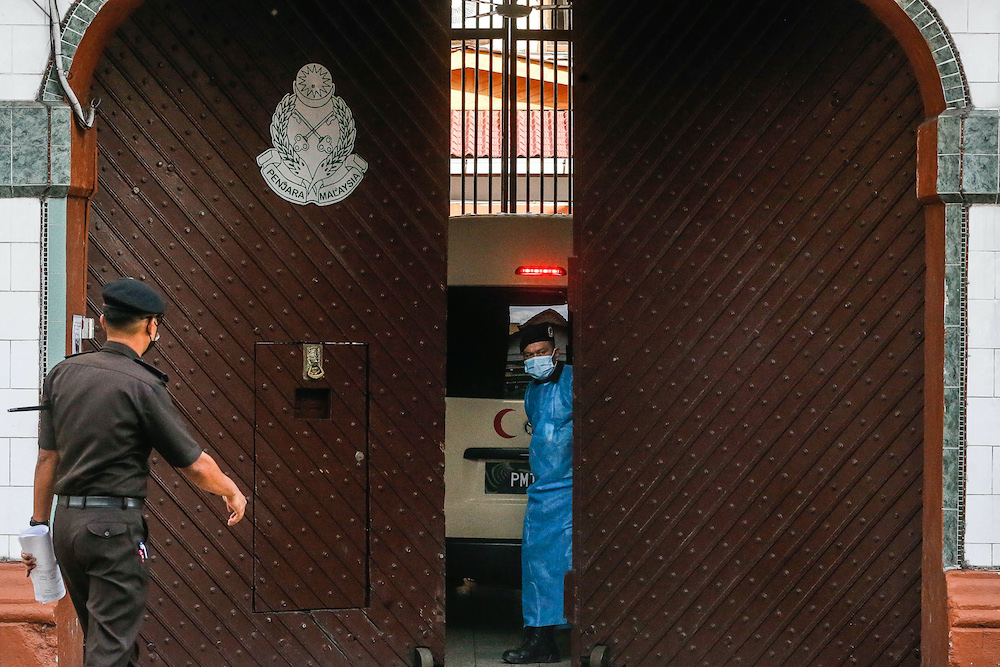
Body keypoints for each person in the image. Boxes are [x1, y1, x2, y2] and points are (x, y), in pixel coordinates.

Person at [21, 277, 247, 667]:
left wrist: (38, 527)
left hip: (67, 526)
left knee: (107, 642)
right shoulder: (142, 383)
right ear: (152, 325)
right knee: (111, 649)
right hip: (112, 530)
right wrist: (231, 490)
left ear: (104, 321)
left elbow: (47, 459)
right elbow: (193, 463)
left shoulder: (62, 374)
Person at [503, 322, 573, 664]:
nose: (536, 359)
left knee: (563, 563)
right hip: (545, 491)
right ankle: (541, 639)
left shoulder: (573, 381)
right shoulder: (532, 391)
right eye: (529, 355)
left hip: (573, 489)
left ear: (555, 352)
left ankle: (547, 639)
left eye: (541, 352)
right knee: (538, 564)